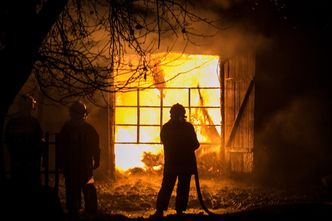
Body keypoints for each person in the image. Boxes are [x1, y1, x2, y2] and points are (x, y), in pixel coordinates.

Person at [152, 103, 200, 218]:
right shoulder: (187, 127)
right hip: (184, 163)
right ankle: (178, 211)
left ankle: (161, 210)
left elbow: (165, 141)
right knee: (180, 187)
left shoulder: (167, 127)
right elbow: (195, 144)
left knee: (168, 187)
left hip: (173, 164)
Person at [58, 100, 100, 220]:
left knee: (82, 187)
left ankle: (83, 210)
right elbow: (61, 147)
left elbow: (96, 147)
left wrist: (96, 160)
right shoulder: (70, 130)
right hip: (75, 165)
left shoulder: (70, 129)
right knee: (76, 187)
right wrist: (96, 161)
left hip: (82, 165)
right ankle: (79, 210)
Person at [4, 94, 43, 188]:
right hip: (27, 163)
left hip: (20, 162)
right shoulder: (33, 122)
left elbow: (8, 141)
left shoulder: (13, 122)